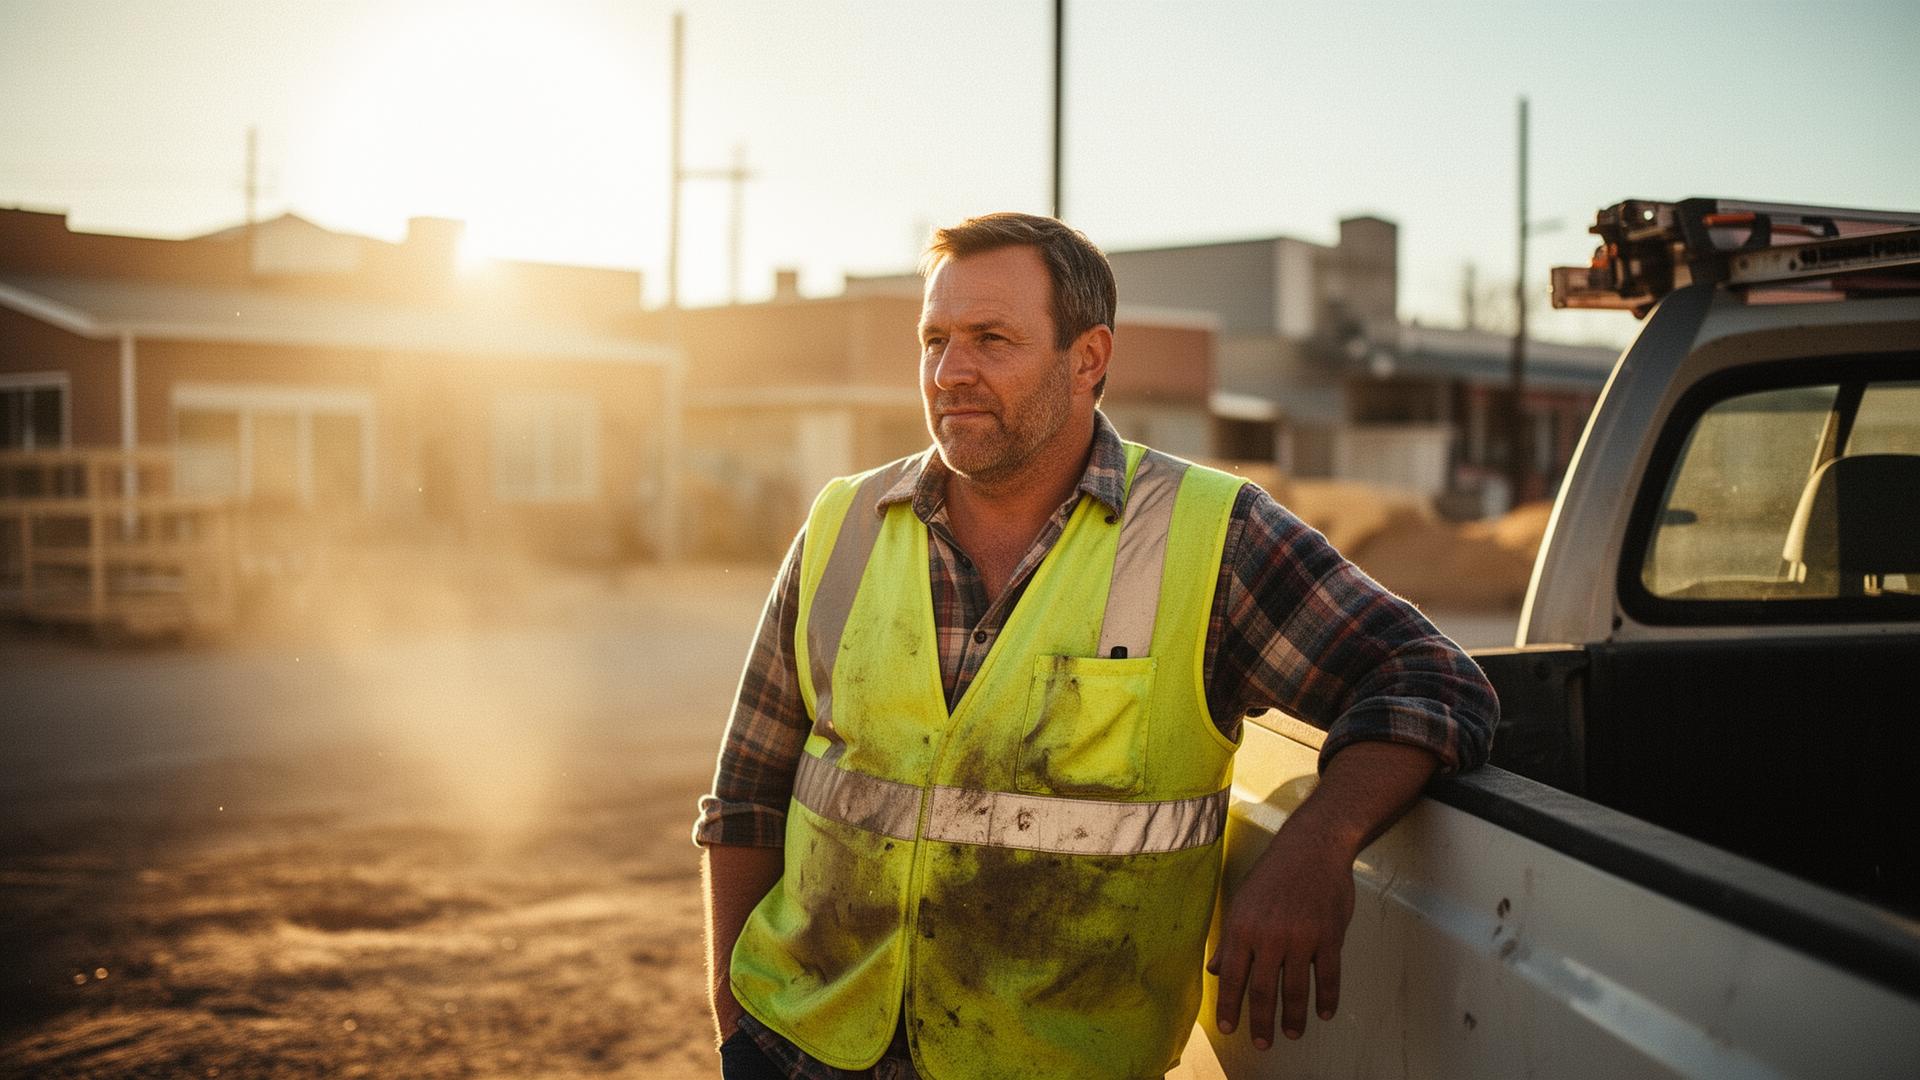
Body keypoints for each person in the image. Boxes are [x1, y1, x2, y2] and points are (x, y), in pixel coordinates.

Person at [694, 213, 1496, 1080]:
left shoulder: (1212, 537)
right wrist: (737, 1027)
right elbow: (748, 795)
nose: (948, 372)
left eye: (990, 339)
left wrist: (1322, 839)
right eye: (934, 339)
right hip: (800, 1051)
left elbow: (1431, 678)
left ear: (1089, 358)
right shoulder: (843, 525)